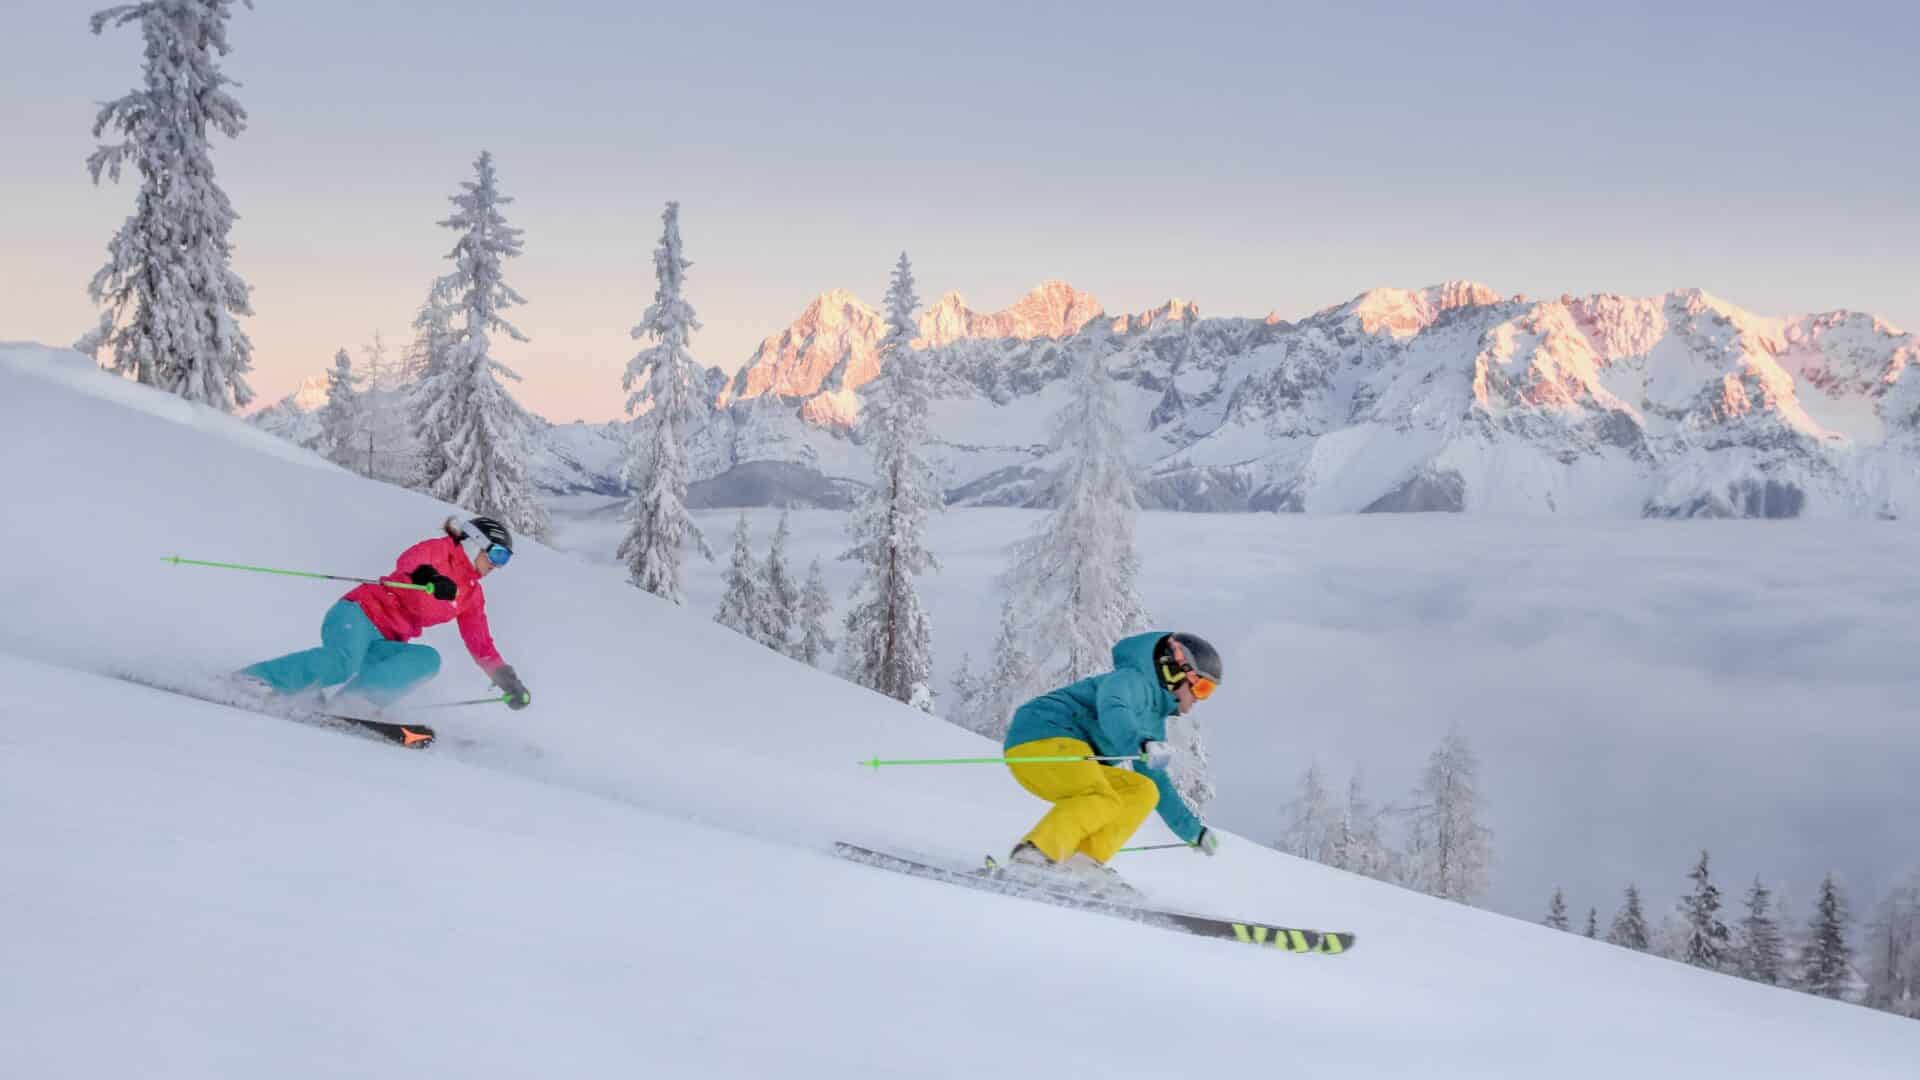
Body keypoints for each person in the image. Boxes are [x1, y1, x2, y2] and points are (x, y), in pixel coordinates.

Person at [240, 516, 531, 715]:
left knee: (428, 660)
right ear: (474, 543)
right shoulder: (440, 550)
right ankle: (257, 681)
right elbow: (409, 562)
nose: (497, 565)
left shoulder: (471, 595)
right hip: (357, 615)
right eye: (496, 555)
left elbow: (480, 643)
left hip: (387, 640)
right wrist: (429, 576)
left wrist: (506, 679)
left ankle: (353, 705)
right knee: (343, 661)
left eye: (504, 560)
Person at [1000, 631, 1222, 891]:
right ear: (1175, 670)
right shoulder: (1130, 680)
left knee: (1142, 790)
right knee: (1100, 796)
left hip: (1074, 758)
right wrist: (1139, 742)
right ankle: (1033, 855)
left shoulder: (1153, 721)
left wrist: (1193, 832)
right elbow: (1113, 708)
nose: (1200, 698)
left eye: (1209, 691)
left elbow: (1158, 783)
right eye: (1202, 687)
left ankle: (1083, 863)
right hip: (1042, 737)